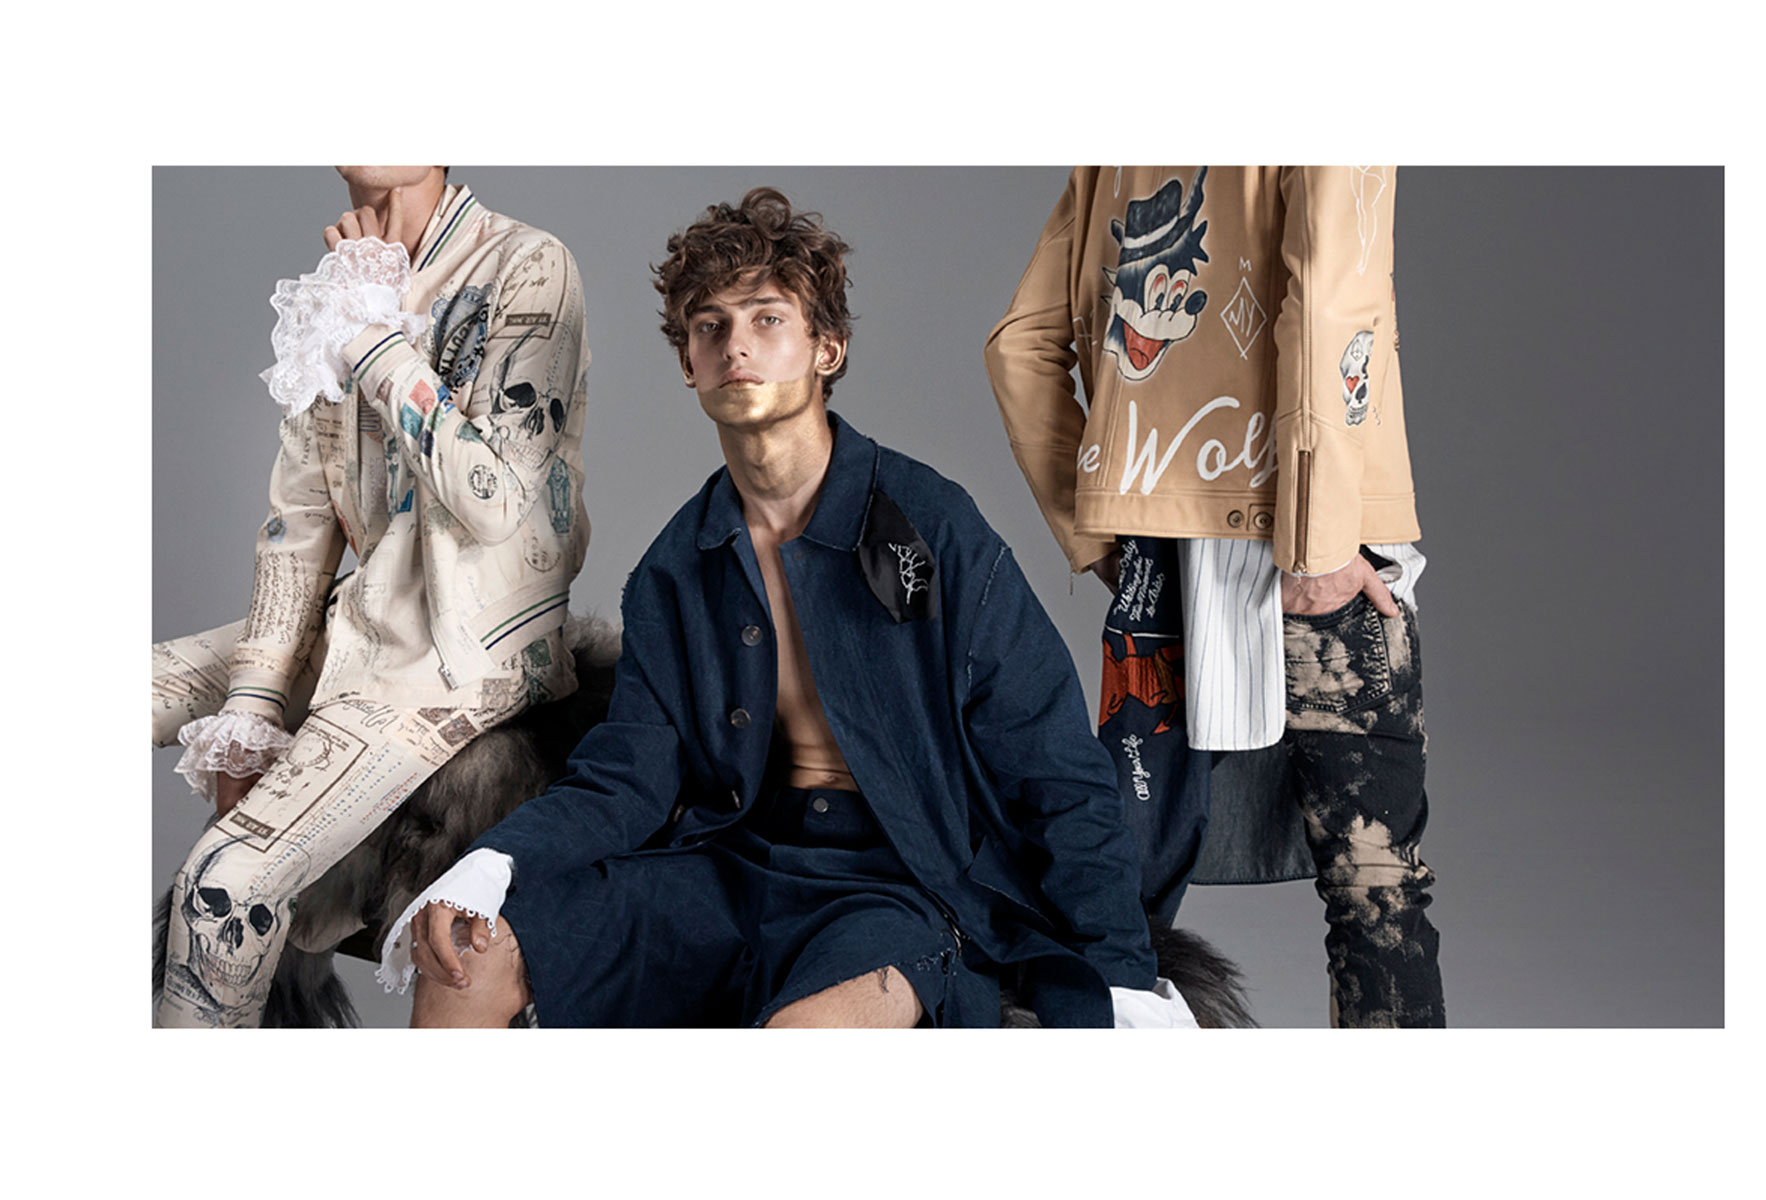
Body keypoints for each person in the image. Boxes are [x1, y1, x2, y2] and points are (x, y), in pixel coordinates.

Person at [380, 188, 1188, 1028]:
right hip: (731, 866)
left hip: (903, 886)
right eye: (710, 326)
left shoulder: (932, 524)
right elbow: (627, 776)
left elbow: (1053, 762)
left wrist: (1123, 977)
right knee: (469, 962)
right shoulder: (676, 568)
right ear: (688, 363)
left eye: (767, 318)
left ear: (827, 348)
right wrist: (492, 864)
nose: (736, 345)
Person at [984, 166, 1444, 1027]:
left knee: (1116, 890)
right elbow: (1328, 304)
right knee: (1375, 887)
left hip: (1158, 551)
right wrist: (1318, 546)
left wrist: (1100, 533)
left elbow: (1019, 345)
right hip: (1318, 538)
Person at [152, 166, 591, 1028]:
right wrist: (250, 715)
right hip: (363, 625)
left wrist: (372, 337)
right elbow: (299, 525)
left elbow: (494, 499)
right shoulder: (335, 288)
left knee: (222, 882)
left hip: (465, 659)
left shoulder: (530, 264)